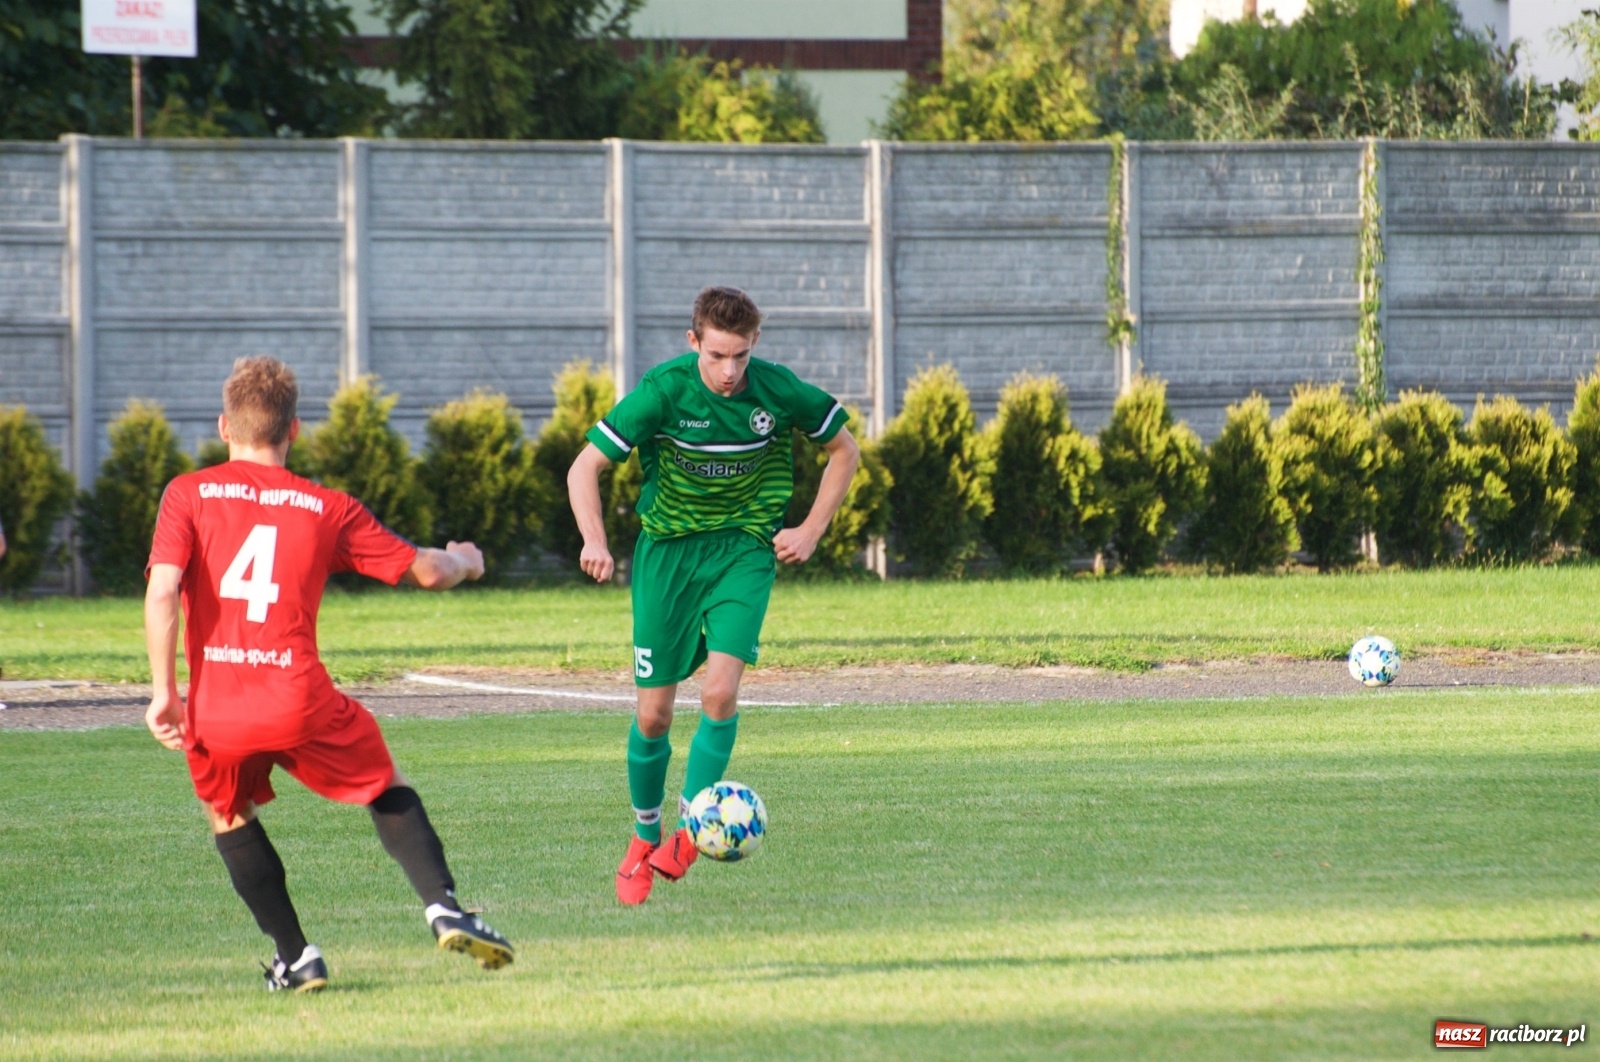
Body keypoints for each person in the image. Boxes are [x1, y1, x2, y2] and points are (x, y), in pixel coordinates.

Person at [144, 356, 513, 992]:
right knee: (383, 783)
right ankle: (444, 908)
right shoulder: (324, 507)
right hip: (298, 697)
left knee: (227, 811)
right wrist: (466, 561)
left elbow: (163, 590)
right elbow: (427, 570)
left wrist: (164, 694)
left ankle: (296, 957)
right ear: (294, 431)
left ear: (224, 427)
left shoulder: (188, 493)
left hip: (219, 706)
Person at [567, 285, 860, 905]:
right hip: (668, 557)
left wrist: (810, 530)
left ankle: (688, 832)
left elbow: (844, 450)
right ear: (693, 341)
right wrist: (594, 540)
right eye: (717, 355)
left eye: (740, 356)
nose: (729, 371)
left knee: (720, 693)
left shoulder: (777, 391)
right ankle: (643, 837)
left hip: (743, 552)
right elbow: (583, 466)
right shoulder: (664, 391)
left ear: (755, 344)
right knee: (654, 715)